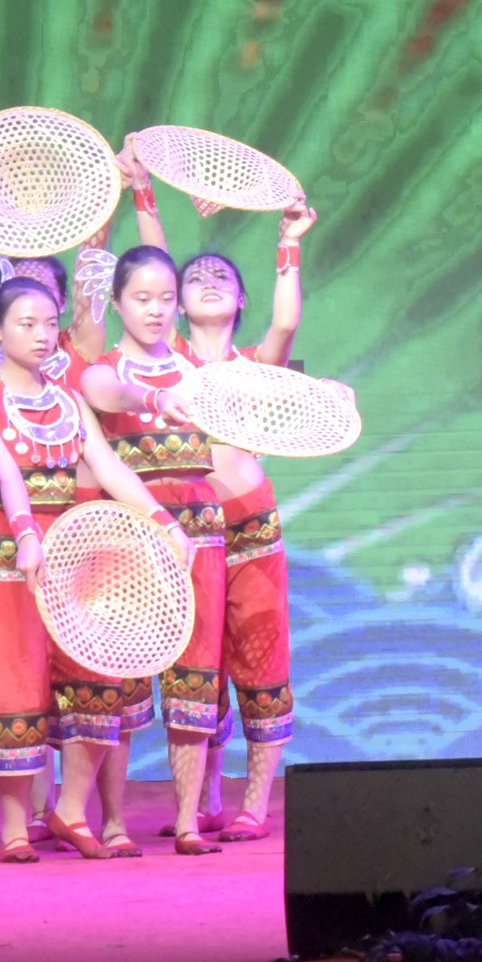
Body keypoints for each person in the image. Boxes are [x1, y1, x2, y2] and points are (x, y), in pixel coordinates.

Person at [0, 276, 186, 863]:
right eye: (25, 324)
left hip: (71, 550)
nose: (40, 334)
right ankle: (14, 827)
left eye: (48, 323)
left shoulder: (67, 399)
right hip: (2, 554)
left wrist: (165, 521)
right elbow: (7, 474)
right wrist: (26, 534)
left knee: (98, 674)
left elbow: (107, 467)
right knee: (15, 682)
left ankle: (72, 809)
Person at [153, 202, 317, 841]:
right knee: (194, 664)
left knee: (260, 654)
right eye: (195, 277)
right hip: (188, 534)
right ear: (174, 302)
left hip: (251, 530)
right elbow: (155, 266)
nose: (209, 280)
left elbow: (287, 321)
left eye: (222, 275)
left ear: (242, 298)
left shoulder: (254, 366)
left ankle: (254, 804)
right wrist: (143, 195)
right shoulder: (163, 364)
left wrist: (289, 244)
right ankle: (201, 802)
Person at [80, 247, 230, 857]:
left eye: (167, 298)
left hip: (199, 531)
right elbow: (108, 393)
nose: (156, 310)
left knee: (196, 672)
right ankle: (115, 822)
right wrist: (153, 399)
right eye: (142, 298)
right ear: (118, 302)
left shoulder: (201, 370)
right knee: (121, 676)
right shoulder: (102, 370)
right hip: (131, 535)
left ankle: (188, 820)